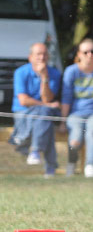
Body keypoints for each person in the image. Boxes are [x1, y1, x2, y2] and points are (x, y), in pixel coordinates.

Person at [61, 38, 93, 178]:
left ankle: (90, 167)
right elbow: (66, 98)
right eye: (85, 52)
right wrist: (62, 121)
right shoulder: (70, 71)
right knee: (76, 138)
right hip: (75, 114)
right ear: (78, 54)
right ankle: (72, 163)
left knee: (91, 133)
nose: (89, 55)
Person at [9, 43, 61, 176]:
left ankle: (35, 150)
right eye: (38, 54)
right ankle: (50, 166)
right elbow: (23, 101)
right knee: (45, 118)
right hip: (23, 113)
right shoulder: (20, 72)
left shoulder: (54, 73)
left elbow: (47, 99)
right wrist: (46, 105)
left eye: (44, 54)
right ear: (30, 57)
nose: (42, 57)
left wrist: (44, 78)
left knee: (43, 114)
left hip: (42, 114)